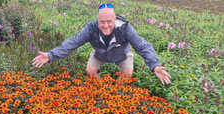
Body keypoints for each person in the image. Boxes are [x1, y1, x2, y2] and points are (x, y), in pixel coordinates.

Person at [32, 3, 171, 85]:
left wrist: (155, 66)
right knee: (90, 71)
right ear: (98, 21)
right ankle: (101, 91)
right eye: (102, 22)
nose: (105, 25)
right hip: (100, 53)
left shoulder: (125, 28)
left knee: (128, 73)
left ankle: (115, 94)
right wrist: (51, 55)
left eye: (109, 22)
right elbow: (73, 42)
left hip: (122, 54)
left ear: (114, 19)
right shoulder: (91, 28)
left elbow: (143, 46)